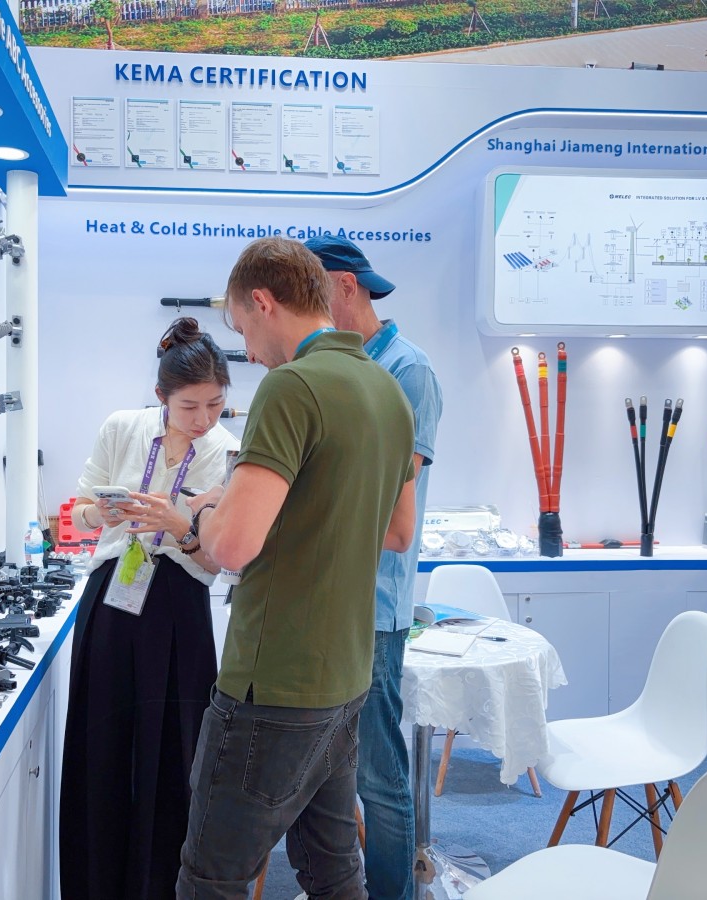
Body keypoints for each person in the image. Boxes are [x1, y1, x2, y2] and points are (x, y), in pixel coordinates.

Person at [176, 236, 418, 899]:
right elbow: (399, 531)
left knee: (211, 880)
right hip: (345, 677)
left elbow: (232, 548)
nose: (250, 352)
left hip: (273, 682)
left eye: (242, 330)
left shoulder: (291, 387)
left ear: (263, 302)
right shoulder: (388, 390)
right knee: (333, 873)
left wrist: (207, 513)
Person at [59, 317, 240, 900]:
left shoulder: (228, 453)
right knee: (102, 746)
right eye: (189, 406)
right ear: (161, 395)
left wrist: (181, 524)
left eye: (215, 404)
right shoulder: (122, 428)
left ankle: (162, 887)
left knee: (176, 755)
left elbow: (218, 559)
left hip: (179, 606)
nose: (203, 419)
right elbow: (74, 513)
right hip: (113, 597)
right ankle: (97, 883)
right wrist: (102, 514)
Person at [305, 234, 442, 900]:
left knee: (378, 776)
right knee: (327, 768)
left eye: (312, 293)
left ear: (345, 286)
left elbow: (388, 502)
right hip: (326, 597)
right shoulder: (332, 365)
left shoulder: (408, 371)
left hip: (375, 605)